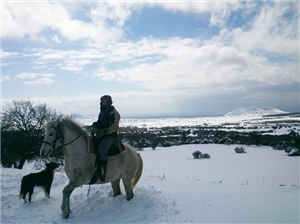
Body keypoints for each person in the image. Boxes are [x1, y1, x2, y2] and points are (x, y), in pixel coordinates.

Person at [90, 95, 120, 183]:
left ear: (110, 102)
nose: (104, 104)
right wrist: (96, 124)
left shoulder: (115, 113)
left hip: (110, 136)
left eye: (106, 102)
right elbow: (100, 122)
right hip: (101, 135)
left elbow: (115, 127)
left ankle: (102, 173)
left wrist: (105, 131)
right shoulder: (101, 113)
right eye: (103, 102)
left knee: (102, 149)